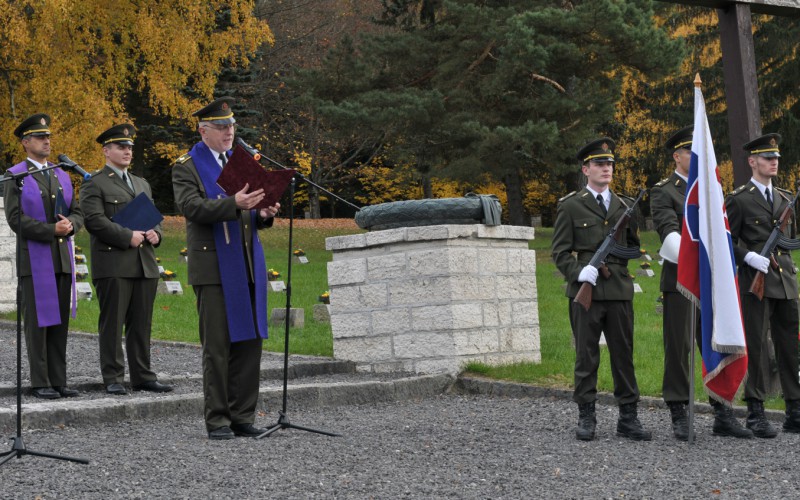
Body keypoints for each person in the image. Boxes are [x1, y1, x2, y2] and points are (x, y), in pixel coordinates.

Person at [172, 96, 280, 440]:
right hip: (213, 266)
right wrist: (233, 204)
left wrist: (262, 215)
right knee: (218, 347)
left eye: (232, 126)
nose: (229, 131)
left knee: (250, 342)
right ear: (204, 131)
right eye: (221, 127)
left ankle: (242, 415)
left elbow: (250, 210)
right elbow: (191, 208)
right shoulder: (187, 165)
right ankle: (218, 419)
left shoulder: (241, 160)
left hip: (247, 262)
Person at [651, 127, 752, 440]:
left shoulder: (713, 191)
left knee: (715, 341)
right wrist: (697, 261)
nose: (695, 159)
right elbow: (669, 234)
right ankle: (679, 411)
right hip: (681, 280)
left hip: (711, 279)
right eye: (689, 154)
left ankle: (722, 411)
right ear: (677, 157)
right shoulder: (664, 191)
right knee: (679, 348)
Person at [551, 137, 650, 441]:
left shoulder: (624, 206)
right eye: (599, 164)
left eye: (609, 164)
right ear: (586, 169)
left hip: (619, 290)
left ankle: (628, 417)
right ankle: (586, 415)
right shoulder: (570, 206)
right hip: (586, 293)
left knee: (623, 355)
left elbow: (633, 247)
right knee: (586, 355)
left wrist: (612, 260)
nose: (606, 168)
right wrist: (583, 271)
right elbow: (559, 252)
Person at [79, 124, 173, 395]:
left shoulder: (142, 183)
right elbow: (94, 220)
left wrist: (157, 234)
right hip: (114, 263)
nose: (127, 151)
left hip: (144, 263)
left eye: (130, 147)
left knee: (142, 323)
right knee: (113, 323)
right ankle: (113, 377)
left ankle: (143, 375)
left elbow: (155, 219)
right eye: (121, 146)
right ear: (106, 151)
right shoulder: (95, 182)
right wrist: (126, 236)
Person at [4, 113, 84, 399]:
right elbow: (16, 220)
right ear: (26, 143)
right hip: (35, 259)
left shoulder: (61, 173)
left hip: (61, 258)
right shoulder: (16, 176)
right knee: (39, 324)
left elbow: (76, 210)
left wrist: (74, 223)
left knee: (60, 323)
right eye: (40, 137)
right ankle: (40, 382)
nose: (47, 141)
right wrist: (52, 230)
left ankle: (58, 380)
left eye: (48, 137)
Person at [725, 133, 800, 438]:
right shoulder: (739, 199)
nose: (774, 162)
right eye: (768, 158)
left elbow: (789, 240)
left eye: (776, 158)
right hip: (755, 281)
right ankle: (755, 410)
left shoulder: (784, 198)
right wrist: (748, 257)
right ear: (752, 161)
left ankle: (794, 408)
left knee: (791, 346)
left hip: (785, 281)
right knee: (755, 345)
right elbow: (726, 243)